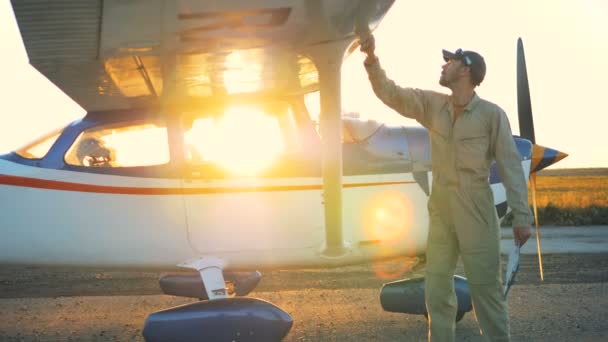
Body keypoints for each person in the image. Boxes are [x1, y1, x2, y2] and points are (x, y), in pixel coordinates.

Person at [359, 35, 533, 342]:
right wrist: (372, 61)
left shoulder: (492, 116)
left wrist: (521, 215)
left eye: (450, 60)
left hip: (475, 208)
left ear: (465, 70)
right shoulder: (432, 105)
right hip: (441, 208)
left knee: (486, 291)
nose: (444, 64)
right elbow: (392, 94)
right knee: (437, 290)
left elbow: (509, 165)